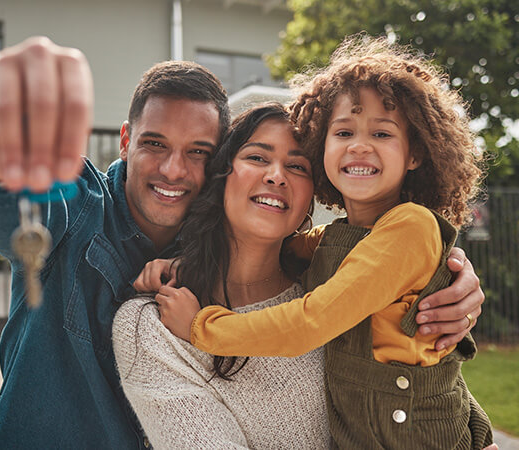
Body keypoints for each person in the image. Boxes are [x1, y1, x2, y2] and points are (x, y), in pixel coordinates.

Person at [0, 36, 485, 448]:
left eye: (198, 151)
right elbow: (14, 196)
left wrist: (449, 276)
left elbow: (409, 375)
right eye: (155, 143)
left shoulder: (322, 278)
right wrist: (0, 131)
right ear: (127, 140)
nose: (175, 168)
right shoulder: (91, 220)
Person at [155, 36, 494, 448]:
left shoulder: (411, 226)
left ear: (415, 154)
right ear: (322, 149)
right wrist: (182, 265)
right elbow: (279, 248)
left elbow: (309, 322)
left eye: (383, 134)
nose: (359, 145)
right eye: (344, 131)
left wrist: (200, 327)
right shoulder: (340, 238)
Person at [113, 103, 331, 448]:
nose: (277, 175)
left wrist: (448, 273)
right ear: (221, 175)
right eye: (258, 158)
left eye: (297, 166)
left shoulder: (334, 295)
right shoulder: (152, 328)